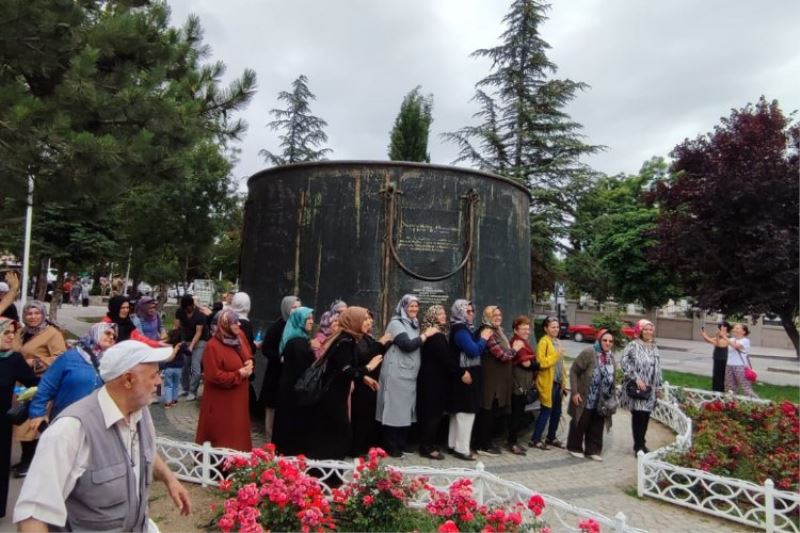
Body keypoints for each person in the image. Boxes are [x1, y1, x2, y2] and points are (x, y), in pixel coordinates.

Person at [13, 340, 191, 531]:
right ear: (128, 380)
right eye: (154, 375)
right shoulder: (70, 431)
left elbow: (145, 451)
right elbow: (32, 515)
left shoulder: (141, 412)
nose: (159, 382)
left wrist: (170, 479)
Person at [306, 307, 382, 460]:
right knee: (339, 436)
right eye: (364, 319)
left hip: (336, 395)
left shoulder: (347, 338)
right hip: (333, 396)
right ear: (354, 321)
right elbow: (346, 370)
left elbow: (343, 368)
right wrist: (369, 367)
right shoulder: (346, 341)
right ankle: (326, 471)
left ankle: (328, 470)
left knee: (335, 436)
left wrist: (363, 377)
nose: (368, 322)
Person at [375, 295, 438, 457]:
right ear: (403, 307)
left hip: (409, 374)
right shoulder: (396, 323)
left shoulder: (414, 324)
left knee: (405, 409)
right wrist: (425, 335)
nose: (414, 309)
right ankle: (390, 445)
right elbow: (407, 345)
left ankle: (401, 443)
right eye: (411, 306)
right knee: (393, 408)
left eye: (416, 306)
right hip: (396, 373)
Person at [26, 323, 117, 433]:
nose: (111, 337)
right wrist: (37, 413)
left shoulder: (111, 363)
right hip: (65, 419)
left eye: (114, 336)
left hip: (94, 424)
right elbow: (47, 384)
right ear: (96, 333)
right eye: (107, 333)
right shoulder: (70, 357)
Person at [15, 300, 67, 477]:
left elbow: (60, 358)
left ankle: (30, 461)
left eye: (37, 313)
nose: (33, 317)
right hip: (21, 384)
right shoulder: (22, 332)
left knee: (33, 422)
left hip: (41, 383)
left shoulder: (52, 333)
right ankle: (26, 459)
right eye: (29, 313)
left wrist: (35, 362)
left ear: (43, 314)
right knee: (22, 421)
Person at [195, 310, 254, 451]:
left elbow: (249, 354)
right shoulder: (212, 346)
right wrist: (238, 374)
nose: (239, 324)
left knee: (238, 432)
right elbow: (214, 376)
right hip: (221, 402)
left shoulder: (240, 336)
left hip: (238, 399)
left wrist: (251, 363)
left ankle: (238, 462)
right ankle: (220, 463)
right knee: (223, 436)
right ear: (225, 325)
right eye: (235, 322)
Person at [0, 318, 38, 519]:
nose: (11, 336)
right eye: (6, 332)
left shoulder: (13, 359)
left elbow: (34, 383)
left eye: (13, 332)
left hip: (2, 424)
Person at [417, 304, 464, 460]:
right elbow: (445, 359)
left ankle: (429, 444)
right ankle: (426, 447)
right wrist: (461, 372)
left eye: (444, 313)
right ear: (433, 317)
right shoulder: (436, 335)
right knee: (433, 414)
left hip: (433, 380)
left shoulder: (435, 333)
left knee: (432, 414)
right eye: (439, 314)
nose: (444, 316)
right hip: (433, 382)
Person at [447, 300, 491, 461]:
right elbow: (473, 351)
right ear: (460, 312)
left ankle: (453, 444)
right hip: (467, 375)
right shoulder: (460, 330)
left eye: (472, 311)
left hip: (463, 374)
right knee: (466, 411)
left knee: (459, 411)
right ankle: (462, 449)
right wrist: (484, 338)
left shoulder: (461, 328)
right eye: (468, 311)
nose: (472, 313)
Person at [566, 329, 617, 461]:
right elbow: (574, 371)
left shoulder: (610, 357)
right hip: (585, 396)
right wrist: (575, 392)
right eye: (605, 340)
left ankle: (592, 450)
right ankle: (574, 447)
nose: (608, 343)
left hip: (602, 399)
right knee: (581, 421)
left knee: (597, 424)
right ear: (599, 340)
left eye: (610, 341)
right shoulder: (589, 352)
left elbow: (612, 377)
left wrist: (612, 395)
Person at [272, 307, 316, 456]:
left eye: (311, 318)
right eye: (307, 318)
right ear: (299, 321)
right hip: (294, 392)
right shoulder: (299, 343)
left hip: (288, 389)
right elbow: (302, 369)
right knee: (291, 428)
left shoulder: (295, 339)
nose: (311, 321)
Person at [260, 295, 301, 443]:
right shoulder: (276, 328)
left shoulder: (299, 327)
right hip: (276, 373)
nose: (296, 310)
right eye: (293, 307)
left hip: (291, 375)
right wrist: (280, 357)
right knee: (272, 408)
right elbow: (266, 349)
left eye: (298, 307)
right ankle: (270, 440)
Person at [474, 305, 515, 457]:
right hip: (491, 381)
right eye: (494, 315)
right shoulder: (488, 331)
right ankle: (482, 445)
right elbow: (503, 355)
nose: (498, 317)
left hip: (498, 381)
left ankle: (487, 442)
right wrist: (515, 350)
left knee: (493, 411)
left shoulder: (498, 330)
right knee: (487, 411)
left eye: (499, 315)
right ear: (487, 317)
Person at [350, 310, 391, 457]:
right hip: (361, 383)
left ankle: (364, 448)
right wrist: (380, 343)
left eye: (370, 319)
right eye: (366, 319)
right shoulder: (355, 339)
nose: (369, 322)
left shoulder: (366, 337)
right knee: (360, 418)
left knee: (367, 418)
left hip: (370, 383)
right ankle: (357, 450)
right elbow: (364, 358)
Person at [620, 319, 664, 455]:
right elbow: (624, 362)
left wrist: (659, 386)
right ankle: (638, 447)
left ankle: (642, 444)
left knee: (645, 417)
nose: (648, 332)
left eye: (650, 329)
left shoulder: (654, 347)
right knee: (638, 416)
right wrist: (636, 378)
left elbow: (658, 368)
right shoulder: (633, 345)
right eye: (645, 329)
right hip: (638, 388)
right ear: (640, 331)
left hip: (650, 389)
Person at [529, 316, 567, 450]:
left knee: (557, 412)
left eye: (557, 327)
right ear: (546, 329)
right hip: (547, 383)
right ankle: (535, 439)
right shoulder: (543, 342)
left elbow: (561, 364)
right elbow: (541, 363)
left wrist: (564, 382)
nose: (556, 329)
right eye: (552, 327)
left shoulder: (558, 342)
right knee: (546, 411)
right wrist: (556, 355)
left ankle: (551, 437)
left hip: (558, 383)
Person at [508, 316, 538, 456]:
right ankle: (512, 443)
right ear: (516, 330)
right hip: (518, 385)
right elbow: (525, 363)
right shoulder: (517, 342)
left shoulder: (523, 342)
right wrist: (539, 365)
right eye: (523, 329)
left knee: (518, 414)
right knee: (516, 415)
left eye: (528, 329)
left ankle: (514, 441)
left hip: (522, 385)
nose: (527, 331)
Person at [175, 294, 210, 401]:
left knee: (195, 367)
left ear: (192, 305)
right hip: (186, 340)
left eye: (188, 307)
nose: (187, 310)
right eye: (185, 308)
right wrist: (176, 340)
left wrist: (191, 346)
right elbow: (177, 327)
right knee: (184, 365)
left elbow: (198, 333)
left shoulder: (200, 314)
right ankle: (184, 388)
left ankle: (192, 391)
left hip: (200, 341)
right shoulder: (180, 311)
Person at [726, 323, 757, 397]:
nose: (735, 329)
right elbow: (720, 343)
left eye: (737, 328)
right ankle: (732, 402)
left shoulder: (745, 341)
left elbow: (735, 346)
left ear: (743, 332)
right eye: (734, 328)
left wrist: (724, 337)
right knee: (730, 387)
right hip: (729, 365)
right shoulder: (731, 339)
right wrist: (720, 335)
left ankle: (756, 402)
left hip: (740, 366)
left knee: (746, 387)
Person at [700, 322, 731, 393]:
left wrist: (716, 336)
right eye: (720, 327)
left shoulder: (728, 337)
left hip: (723, 359)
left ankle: (720, 392)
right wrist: (704, 334)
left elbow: (719, 344)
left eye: (722, 327)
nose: (720, 328)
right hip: (717, 358)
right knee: (716, 376)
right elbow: (708, 340)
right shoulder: (720, 336)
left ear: (726, 328)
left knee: (720, 376)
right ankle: (715, 392)